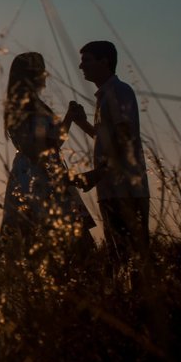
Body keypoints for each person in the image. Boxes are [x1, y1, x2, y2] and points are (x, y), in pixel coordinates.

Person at [66, 40, 150, 272]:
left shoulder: (119, 92)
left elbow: (125, 138)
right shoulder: (104, 96)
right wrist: (81, 122)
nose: (81, 67)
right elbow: (107, 140)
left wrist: (98, 173)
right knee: (118, 257)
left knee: (134, 259)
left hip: (127, 190)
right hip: (111, 190)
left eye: (87, 61)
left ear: (105, 62)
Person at [0, 52, 94, 250]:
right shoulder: (21, 107)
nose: (45, 74)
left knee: (71, 239)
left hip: (43, 171)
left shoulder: (33, 105)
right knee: (49, 237)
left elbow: (51, 143)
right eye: (40, 70)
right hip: (36, 174)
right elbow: (36, 148)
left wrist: (69, 117)